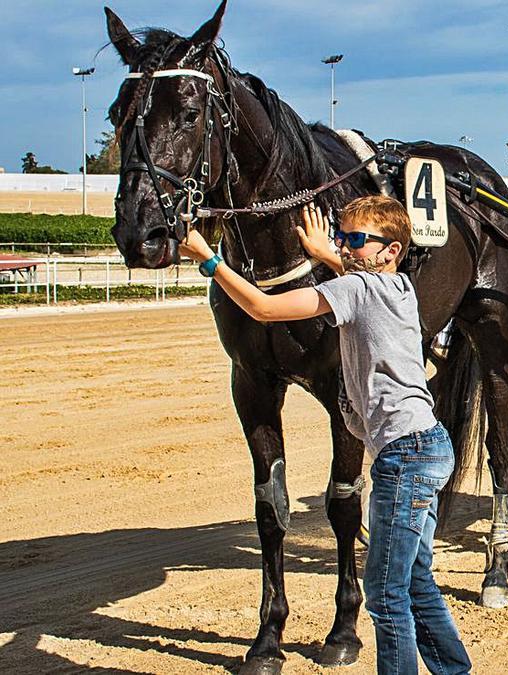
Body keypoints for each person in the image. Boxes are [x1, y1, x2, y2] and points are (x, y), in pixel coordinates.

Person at [179, 196, 471, 674]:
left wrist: (208, 259)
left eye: (356, 240)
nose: (346, 246)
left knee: (385, 594)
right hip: (427, 445)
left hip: (404, 456)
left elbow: (263, 307)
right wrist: (325, 253)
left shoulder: (355, 289)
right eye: (344, 236)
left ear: (390, 250)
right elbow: (357, 270)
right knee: (416, 582)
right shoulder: (397, 286)